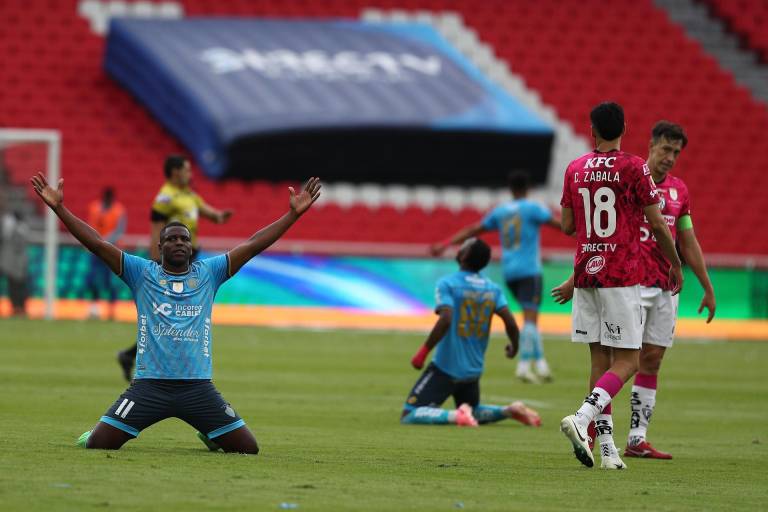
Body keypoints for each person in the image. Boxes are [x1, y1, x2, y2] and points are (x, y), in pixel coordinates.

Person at [30, 171, 321, 453]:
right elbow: (97, 243)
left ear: (192, 245)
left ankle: (211, 432)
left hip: (198, 389)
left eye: (184, 238)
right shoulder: (141, 272)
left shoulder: (210, 272)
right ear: (160, 246)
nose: (179, 242)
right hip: (149, 387)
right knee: (98, 443)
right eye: (171, 239)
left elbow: (254, 243)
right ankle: (98, 430)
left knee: (247, 448)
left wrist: (293, 215)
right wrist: (60, 208)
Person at [552, 121, 715, 460]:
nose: (670, 158)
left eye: (676, 152)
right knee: (620, 359)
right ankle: (596, 432)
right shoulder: (629, 178)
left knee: (651, 361)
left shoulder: (679, 192)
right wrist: (574, 278)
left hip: (666, 285)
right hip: (629, 280)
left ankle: (636, 439)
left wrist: (706, 286)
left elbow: (687, 239)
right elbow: (604, 235)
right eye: (665, 149)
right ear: (651, 146)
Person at [430, 171, 561, 384]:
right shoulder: (534, 208)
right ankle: (524, 366)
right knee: (530, 319)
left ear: (510, 189)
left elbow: (474, 229)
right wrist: (584, 234)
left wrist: (445, 244)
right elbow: (560, 225)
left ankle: (541, 363)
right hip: (530, 270)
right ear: (528, 189)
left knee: (530, 319)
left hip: (509, 272)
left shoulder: (500, 212)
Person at [402, 238, 541, 428]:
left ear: (465, 255)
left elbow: (446, 318)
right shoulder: (493, 288)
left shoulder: (448, 284)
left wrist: (423, 352)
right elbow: (510, 321)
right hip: (473, 370)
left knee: (410, 413)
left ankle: (455, 416)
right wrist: (514, 346)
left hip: (446, 367)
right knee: (472, 409)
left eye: (463, 247)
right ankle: (508, 411)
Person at [117, 155, 233, 380]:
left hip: (191, 259)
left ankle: (130, 355)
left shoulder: (189, 195)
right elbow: (156, 230)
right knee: (173, 317)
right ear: (174, 172)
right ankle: (147, 360)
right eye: (187, 170)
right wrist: (156, 264)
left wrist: (220, 216)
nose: (190, 174)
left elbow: (207, 212)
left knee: (179, 317)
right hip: (170, 264)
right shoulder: (165, 198)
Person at [85, 187, 126, 320]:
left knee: (111, 281)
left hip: (111, 251)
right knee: (92, 279)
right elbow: (90, 226)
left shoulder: (119, 211)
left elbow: (119, 231)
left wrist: (105, 241)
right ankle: (94, 308)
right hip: (96, 250)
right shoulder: (94, 208)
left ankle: (111, 311)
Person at [0, 209, 30, 316]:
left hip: (17, 265)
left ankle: (20, 308)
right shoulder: (17, 228)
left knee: (18, 288)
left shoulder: (20, 229)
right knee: (14, 287)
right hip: (13, 264)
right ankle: (17, 308)